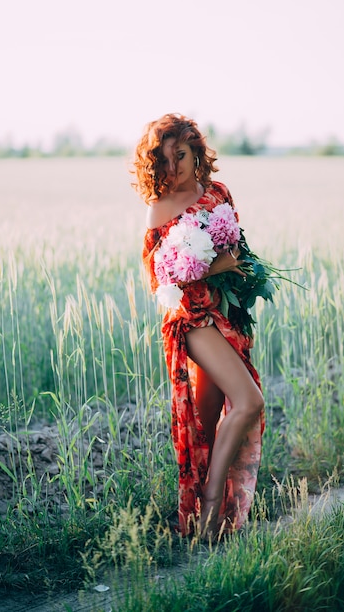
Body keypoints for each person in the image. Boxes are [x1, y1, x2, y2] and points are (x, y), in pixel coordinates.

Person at [132, 113, 265, 540]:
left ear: (196, 151)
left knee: (207, 426)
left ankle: (204, 523)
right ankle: (209, 506)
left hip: (223, 314)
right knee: (249, 401)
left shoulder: (218, 192)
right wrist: (208, 266)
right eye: (166, 161)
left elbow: (236, 248)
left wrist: (237, 272)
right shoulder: (160, 208)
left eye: (182, 155)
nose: (176, 168)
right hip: (191, 320)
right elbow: (157, 279)